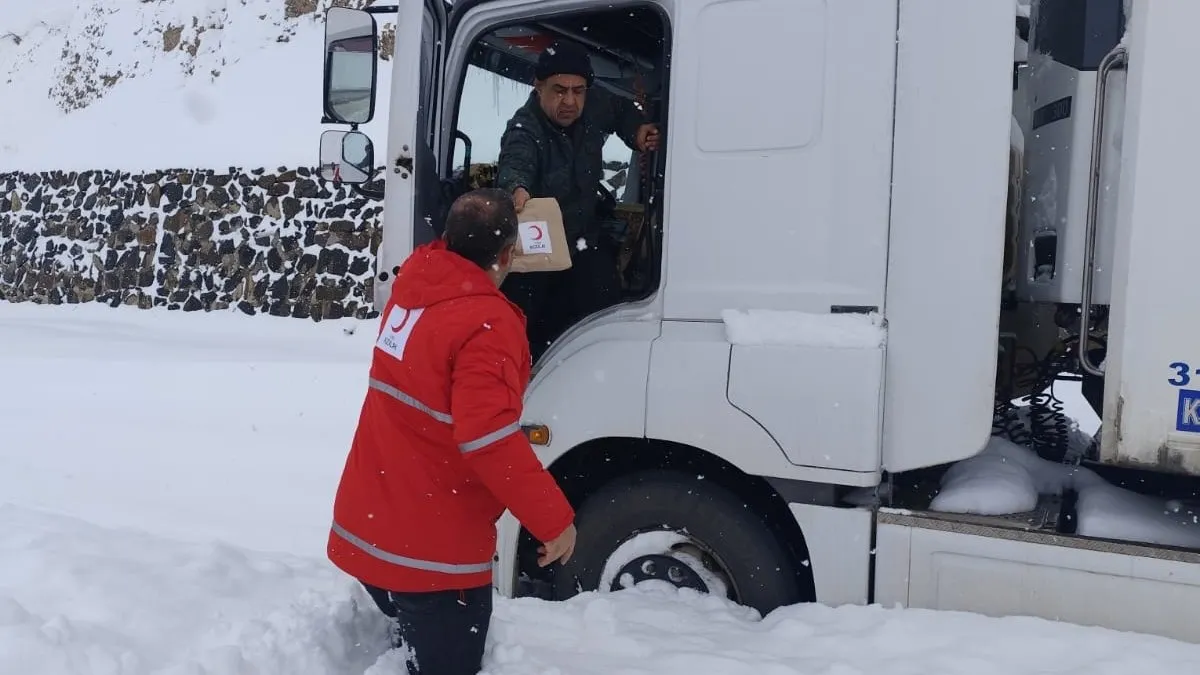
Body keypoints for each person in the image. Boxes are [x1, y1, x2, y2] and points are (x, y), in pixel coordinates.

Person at [326, 188, 578, 675]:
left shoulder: (413, 285)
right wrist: (554, 521)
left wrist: (493, 219)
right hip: (435, 561)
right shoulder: (487, 324)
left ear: (447, 239)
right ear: (507, 254)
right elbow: (489, 439)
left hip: (373, 528)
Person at [496, 39, 661, 361]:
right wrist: (516, 189)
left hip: (585, 235)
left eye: (578, 90)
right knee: (530, 324)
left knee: (605, 313)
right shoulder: (523, 129)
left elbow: (620, 111)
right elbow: (515, 165)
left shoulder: (593, 102)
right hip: (541, 248)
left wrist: (636, 131)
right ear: (538, 86)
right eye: (559, 90)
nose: (570, 100)